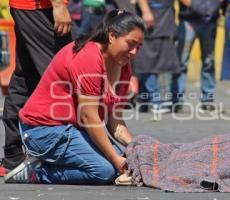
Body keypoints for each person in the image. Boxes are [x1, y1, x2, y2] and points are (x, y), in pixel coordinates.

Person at [3, 9, 146, 184]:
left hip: (75, 129)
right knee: (104, 171)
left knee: (130, 163)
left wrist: (136, 148)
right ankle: (37, 172)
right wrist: (116, 160)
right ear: (111, 36)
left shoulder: (124, 66)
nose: (134, 52)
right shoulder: (89, 56)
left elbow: (114, 120)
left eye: (139, 47)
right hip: (43, 130)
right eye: (130, 44)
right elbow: (89, 116)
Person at [0, 0, 72, 176]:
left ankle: (13, 155)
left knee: (26, 76)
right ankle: (73, 151)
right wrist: (58, 5)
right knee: (60, 76)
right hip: (39, 7)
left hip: (32, 7)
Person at [171, 0, 221, 112]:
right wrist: (197, 6)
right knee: (181, 62)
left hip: (210, 21)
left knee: (209, 62)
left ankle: (208, 99)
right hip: (189, 20)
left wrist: (212, 7)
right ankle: (177, 100)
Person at [134, 0, 180, 113]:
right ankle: (155, 101)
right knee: (147, 61)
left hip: (165, 18)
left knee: (164, 62)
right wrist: (146, 11)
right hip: (151, 15)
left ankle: (147, 101)